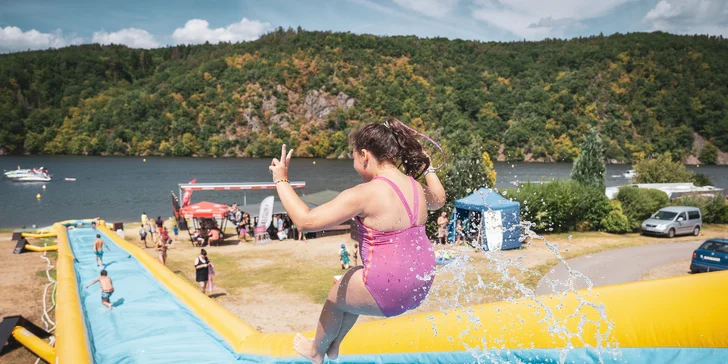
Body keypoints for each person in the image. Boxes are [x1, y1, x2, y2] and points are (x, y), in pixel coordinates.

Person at [268, 118, 446, 363]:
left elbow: (305, 221)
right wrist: (428, 168)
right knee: (350, 280)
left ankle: (316, 351)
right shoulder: (415, 186)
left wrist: (281, 180)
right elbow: (439, 199)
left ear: (364, 155)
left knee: (335, 295)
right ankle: (335, 343)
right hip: (420, 285)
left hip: (390, 291)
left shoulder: (365, 194)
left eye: (353, 158)